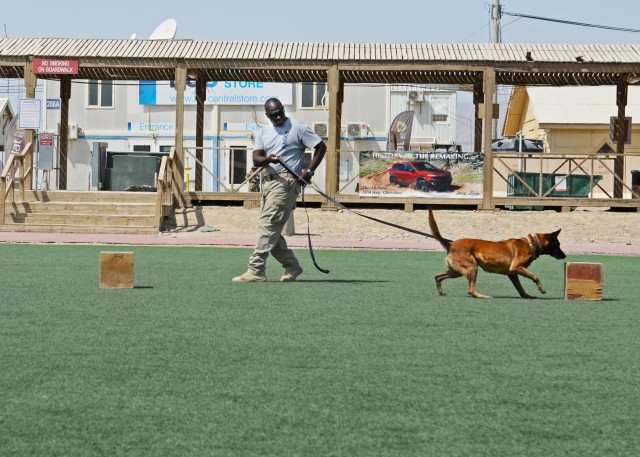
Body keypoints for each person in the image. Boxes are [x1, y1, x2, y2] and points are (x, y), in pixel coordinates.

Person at [232, 98, 327, 283]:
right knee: (270, 228)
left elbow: (320, 146)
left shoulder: (298, 127)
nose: (278, 117)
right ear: (267, 116)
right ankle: (292, 266)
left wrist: (309, 171)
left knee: (267, 227)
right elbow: (256, 159)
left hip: (287, 183)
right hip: (268, 183)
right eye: (274, 115)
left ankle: (256, 269)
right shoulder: (264, 131)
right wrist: (269, 159)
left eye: (280, 112)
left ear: (284, 110)